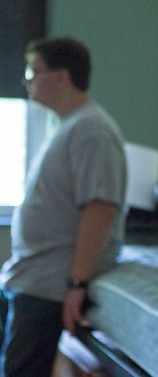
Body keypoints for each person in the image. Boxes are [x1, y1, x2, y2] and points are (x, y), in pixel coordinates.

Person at [0, 37, 127, 376]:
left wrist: (76, 285)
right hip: (32, 277)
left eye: (33, 71)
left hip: (50, 285)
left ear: (61, 76)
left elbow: (100, 210)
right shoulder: (68, 124)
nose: (26, 80)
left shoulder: (92, 130)